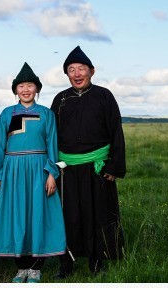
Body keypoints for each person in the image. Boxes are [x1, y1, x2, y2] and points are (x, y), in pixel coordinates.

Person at [50, 46, 126, 278]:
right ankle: (66, 264)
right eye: (71, 69)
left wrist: (114, 166)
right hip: (67, 170)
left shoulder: (104, 96)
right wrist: (51, 168)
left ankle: (97, 261)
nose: (77, 73)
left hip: (98, 169)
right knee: (68, 216)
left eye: (81, 68)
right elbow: (51, 136)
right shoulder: (60, 99)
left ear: (92, 71)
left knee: (98, 215)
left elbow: (116, 132)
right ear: (67, 74)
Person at [0, 62, 66, 283]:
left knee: (37, 216)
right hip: (13, 172)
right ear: (16, 90)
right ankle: (21, 267)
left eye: (30, 86)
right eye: (21, 86)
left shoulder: (46, 114)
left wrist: (52, 173)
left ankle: (35, 268)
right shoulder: (7, 114)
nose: (26, 90)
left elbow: (52, 145)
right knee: (17, 216)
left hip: (38, 171)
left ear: (37, 89)